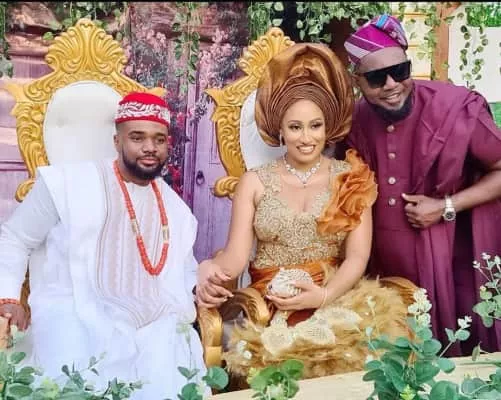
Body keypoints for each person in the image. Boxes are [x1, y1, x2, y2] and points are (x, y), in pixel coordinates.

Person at [195, 43, 411, 380]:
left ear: (327, 128)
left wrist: (323, 296)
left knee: (366, 357)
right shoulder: (254, 182)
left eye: (315, 126)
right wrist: (208, 269)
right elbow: (235, 259)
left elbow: (357, 257)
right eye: (295, 127)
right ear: (280, 130)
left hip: (337, 295)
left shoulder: (351, 178)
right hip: (272, 304)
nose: (306, 138)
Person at [0, 92, 206, 399]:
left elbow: (184, 272)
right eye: (137, 137)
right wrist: (8, 297)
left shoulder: (176, 211)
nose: (150, 147)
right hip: (76, 313)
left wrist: (204, 283)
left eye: (159, 139)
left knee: (173, 350)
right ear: (117, 141)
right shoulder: (67, 184)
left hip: (153, 325)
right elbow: (15, 237)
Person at [340, 13, 501, 355]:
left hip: (448, 264)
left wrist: (446, 206)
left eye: (400, 71)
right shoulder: (354, 119)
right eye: (376, 78)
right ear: (358, 81)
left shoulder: (454, 108)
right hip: (380, 271)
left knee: (452, 354)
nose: (391, 85)